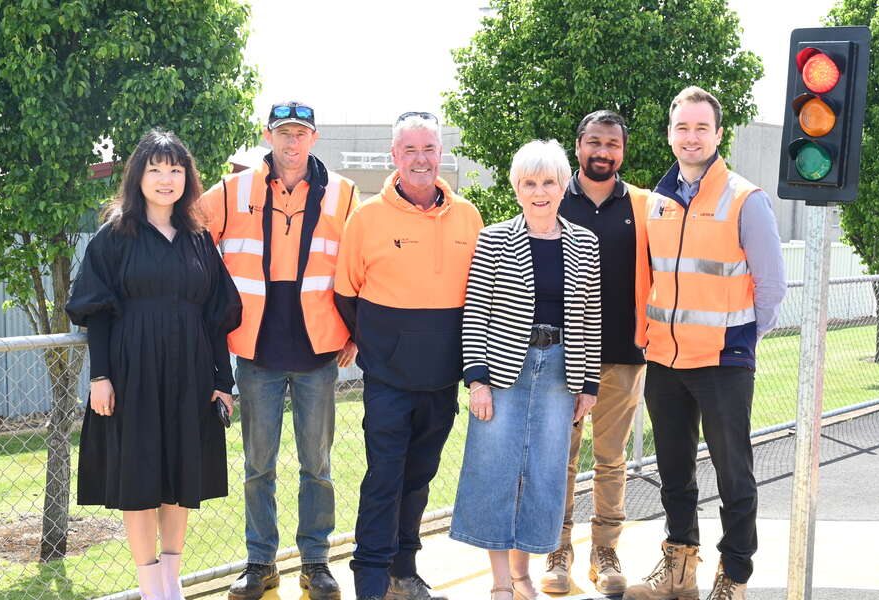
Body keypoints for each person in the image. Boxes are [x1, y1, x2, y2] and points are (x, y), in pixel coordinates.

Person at [623, 87, 787, 600]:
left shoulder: (745, 199)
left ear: (718, 135)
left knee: (734, 475)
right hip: (666, 363)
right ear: (670, 134)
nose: (690, 137)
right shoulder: (657, 203)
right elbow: (649, 279)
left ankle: (733, 576)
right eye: (682, 128)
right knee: (673, 473)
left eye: (701, 128)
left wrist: (738, 341)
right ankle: (679, 568)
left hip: (722, 363)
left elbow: (772, 287)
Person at [67, 129, 242, 600]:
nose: (166, 179)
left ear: (188, 177)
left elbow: (217, 317)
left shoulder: (199, 239)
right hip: (131, 371)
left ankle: (172, 584)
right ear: (138, 176)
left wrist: (223, 383)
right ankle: (150, 589)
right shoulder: (114, 236)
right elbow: (97, 313)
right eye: (155, 169)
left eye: (176, 169)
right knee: (139, 475)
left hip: (190, 371)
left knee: (178, 476)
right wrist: (100, 377)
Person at [199, 101, 360, 600]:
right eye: (283, 133)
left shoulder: (344, 192)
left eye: (301, 134)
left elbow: (358, 264)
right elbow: (189, 232)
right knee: (258, 466)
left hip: (318, 348)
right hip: (256, 349)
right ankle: (260, 562)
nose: (292, 143)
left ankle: (315, 561)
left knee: (318, 466)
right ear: (267, 136)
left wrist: (355, 330)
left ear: (315, 138)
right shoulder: (234, 189)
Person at [334, 111, 484, 600]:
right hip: (389, 381)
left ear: (441, 153)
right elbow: (346, 291)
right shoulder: (367, 218)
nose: (421, 159)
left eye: (429, 149)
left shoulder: (468, 216)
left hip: (442, 380)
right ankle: (372, 583)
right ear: (394, 157)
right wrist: (375, 343)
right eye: (410, 150)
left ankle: (404, 573)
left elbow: (479, 294)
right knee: (384, 480)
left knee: (419, 479)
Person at [449, 139, 602, 600]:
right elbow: (476, 312)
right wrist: (477, 380)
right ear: (517, 188)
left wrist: (588, 384)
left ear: (563, 186)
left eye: (549, 182)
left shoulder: (586, 243)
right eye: (530, 183)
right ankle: (499, 583)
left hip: (561, 372)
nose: (540, 192)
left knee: (544, 473)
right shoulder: (494, 239)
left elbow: (590, 315)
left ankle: (522, 577)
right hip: (502, 372)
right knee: (494, 469)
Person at [541, 111, 650, 596]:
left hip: (624, 354)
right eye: (594, 142)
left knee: (611, 459)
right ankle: (555, 549)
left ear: (622, 152)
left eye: (612, 144)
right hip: (563, 354)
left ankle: (604, 552)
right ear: (578, 145)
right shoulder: (553, 199)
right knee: (558, 458)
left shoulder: (644, 206)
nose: (603, 152)